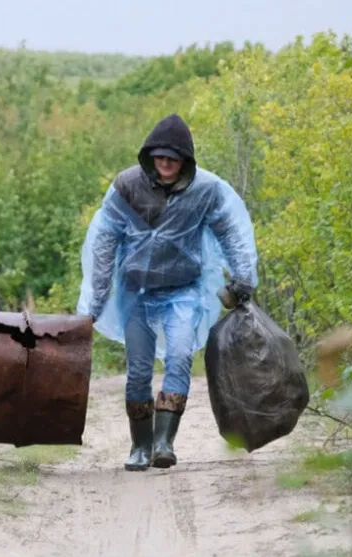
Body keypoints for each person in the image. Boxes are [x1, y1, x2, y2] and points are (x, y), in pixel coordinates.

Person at [77, 113, 258, 471]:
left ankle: (164, 442)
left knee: (178, 358)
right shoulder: (127, 186)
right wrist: (94, 302)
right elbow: (103, 241)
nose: (165, 164)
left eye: (173, 158)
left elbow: (232, 235)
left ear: (185, 161)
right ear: (149, 156)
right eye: (160, 156)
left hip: (183, 291)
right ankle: (140, 447)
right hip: (136, 294)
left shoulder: (205, 190)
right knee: (139, 371)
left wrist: (244, 280)